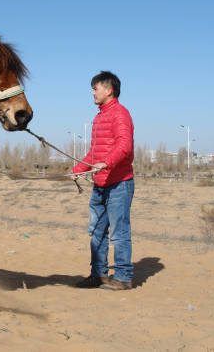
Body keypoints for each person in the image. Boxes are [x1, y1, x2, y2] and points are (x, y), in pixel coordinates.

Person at [71, 71, 135, 290]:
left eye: (95, 88)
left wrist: (106, 163)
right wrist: (79, 168)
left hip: (119, 183)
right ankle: (98, 275)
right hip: (100, 184)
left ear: (109, 90)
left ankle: (124, 278)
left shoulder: (120, 114)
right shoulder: (99, 117)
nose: (92, 93)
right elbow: (94, 153)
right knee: (96, 231)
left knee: (119, 232)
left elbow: (124, 147)